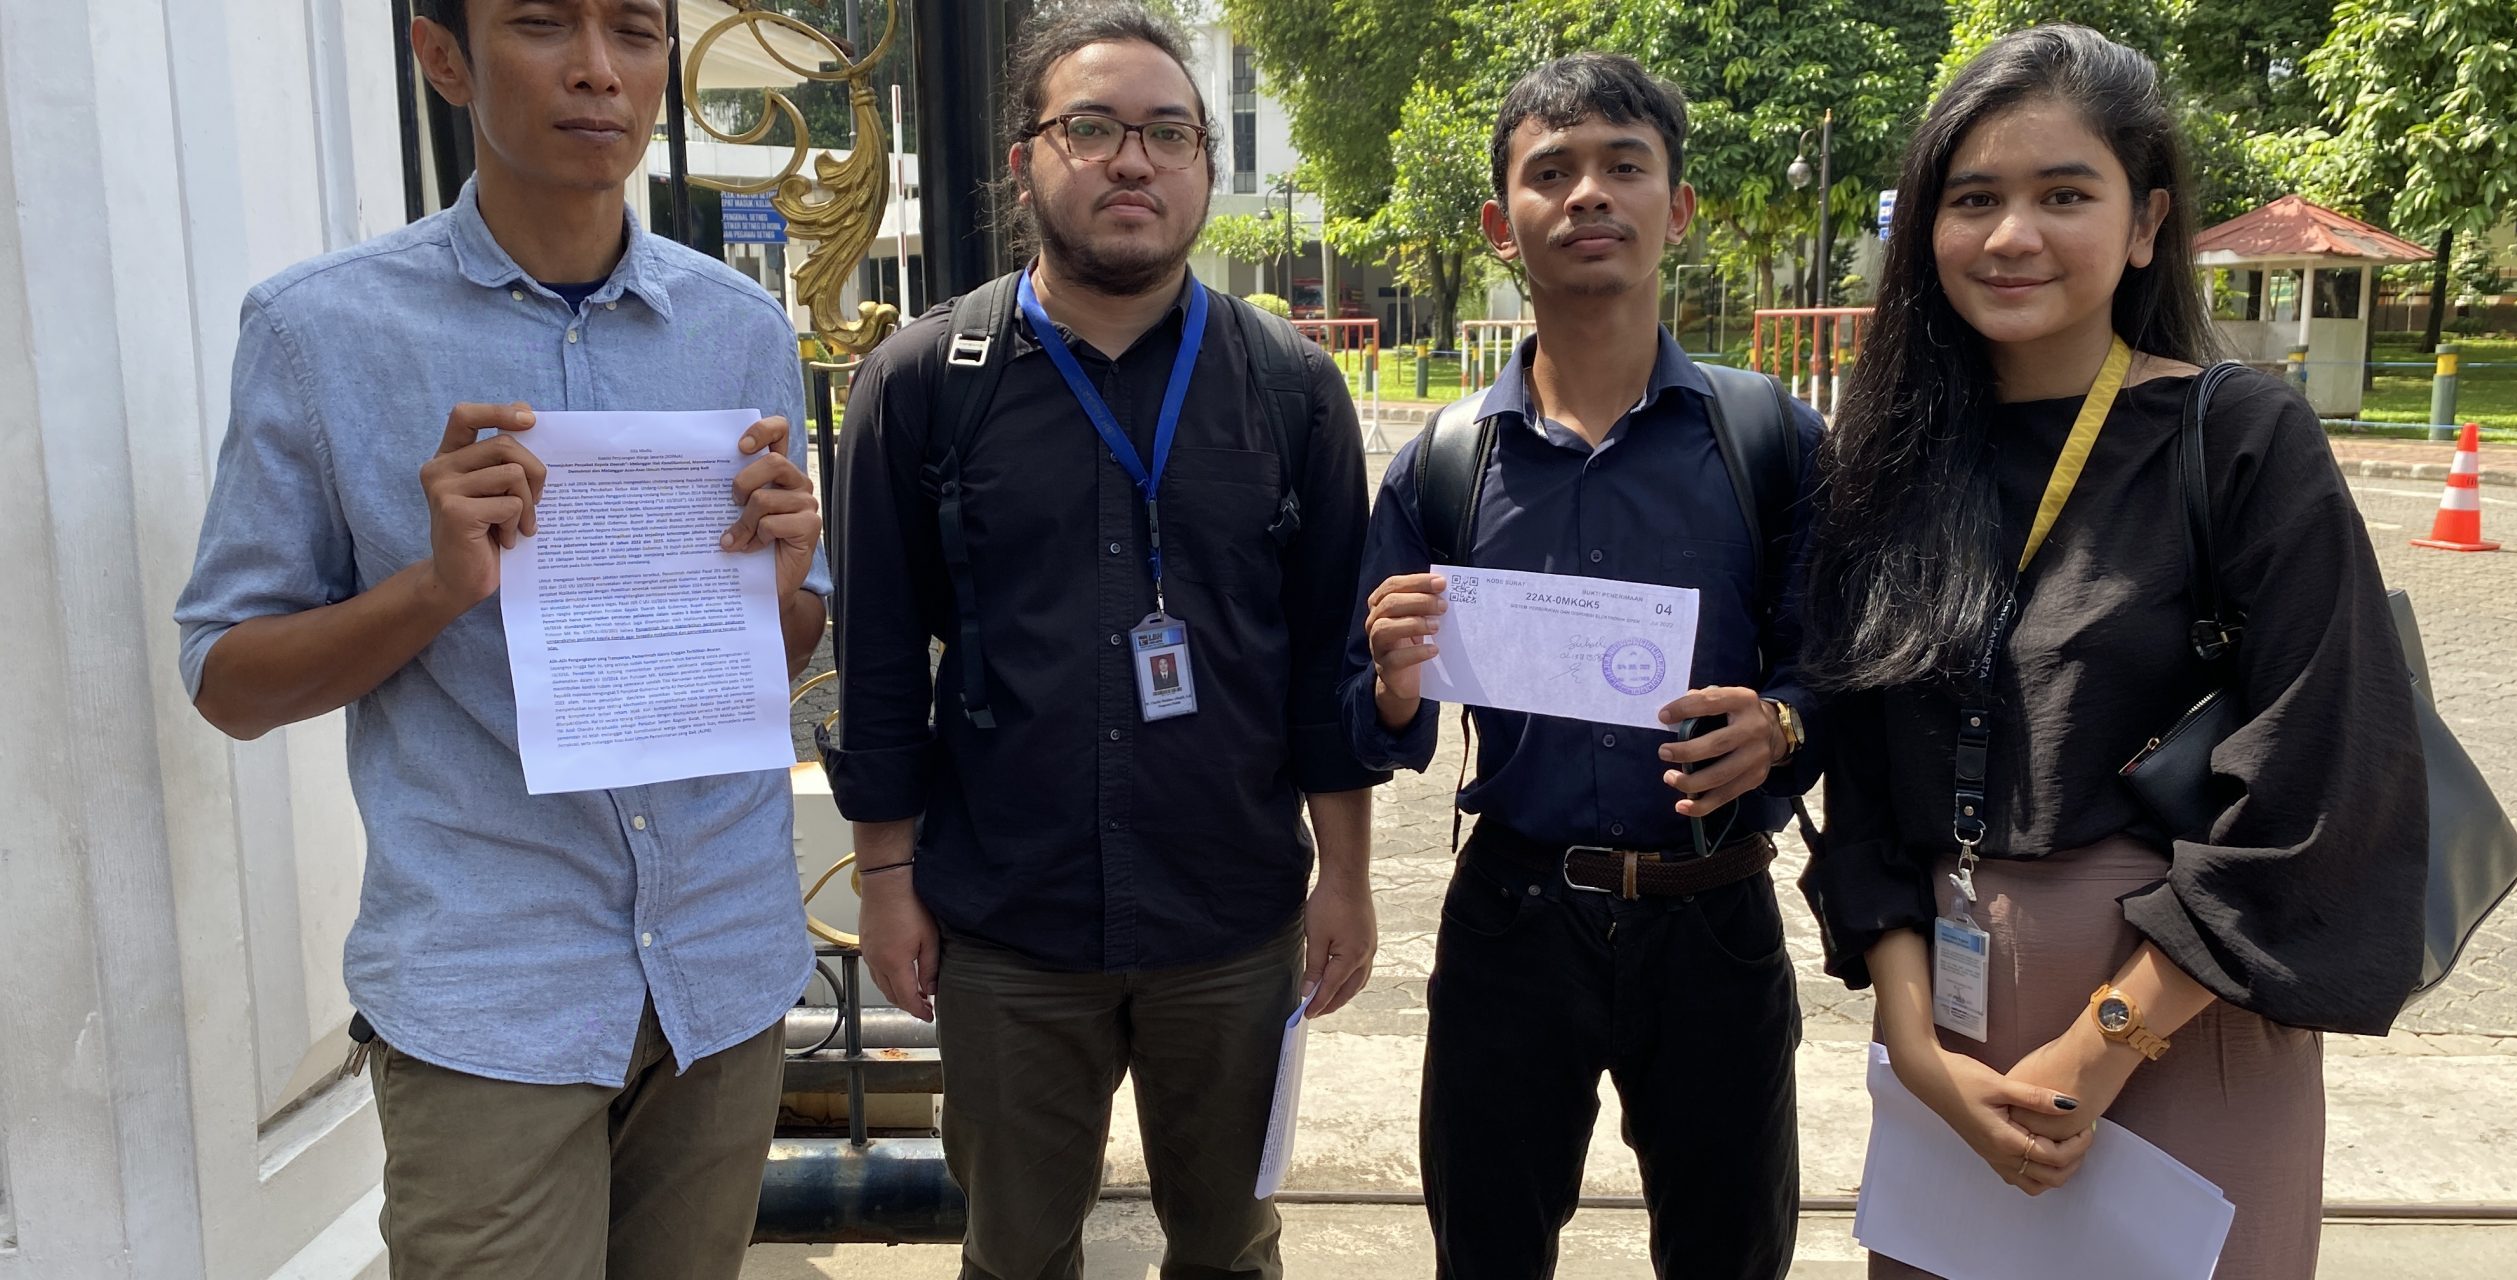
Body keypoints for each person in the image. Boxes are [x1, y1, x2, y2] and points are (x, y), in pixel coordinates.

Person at [170, 1, 826, 1274]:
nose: (597, 70)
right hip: (491, 991)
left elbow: (775, 652)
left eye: (634, 31)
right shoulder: (322, 331)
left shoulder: (736, 327)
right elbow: (227, 680)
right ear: (443, 57)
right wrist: (435, 586)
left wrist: (779, 590)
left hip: (723, 972)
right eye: (540, 23)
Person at [1795, 26, 2426, 1280]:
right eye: (1972, 198)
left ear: (2144, 224)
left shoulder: (2237, 440)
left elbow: (2319, 773)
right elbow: (1861, 779)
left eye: (2062, 195)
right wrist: (1917, 1052)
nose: (2010, 234)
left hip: (2176, 1025)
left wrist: (2100, 1045)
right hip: (1950, 1044)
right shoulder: (1888, 462)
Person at [824, 4, 1386, 1276]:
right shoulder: (922, 383)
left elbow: (1325, 661)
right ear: (1024, 159)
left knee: (1230, 1243)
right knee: (1015, 1248)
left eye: (1167, 133)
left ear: (1204, 166)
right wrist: (885, 879)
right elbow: (878, 664)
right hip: (1007, 922)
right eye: (1092, 128)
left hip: (1230, 915)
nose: (1133, 161)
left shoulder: (1290, 387)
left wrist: (1345, 874)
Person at [1342, 53, 1824, 1280]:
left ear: (1680, 206)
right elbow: (1367, 718)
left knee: (1731, 1253)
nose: (1588, 195)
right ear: (1500, 224)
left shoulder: (1768, 437)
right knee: (1486, 1251)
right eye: (1550, 172)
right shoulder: (1445, 460)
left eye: (1624, 166)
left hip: (1715, 913)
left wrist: (1779, 724)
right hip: (1513, 916)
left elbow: (1840, 669)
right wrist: (1392, 680)